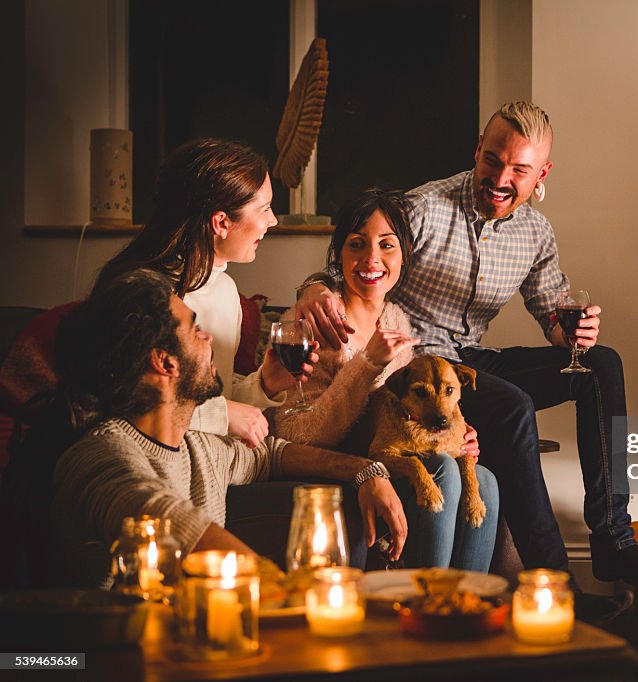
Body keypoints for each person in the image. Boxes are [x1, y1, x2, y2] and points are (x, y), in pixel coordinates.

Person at [295, 102, 638, 590]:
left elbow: (550, 312)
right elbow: (356, 258)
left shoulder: (536, 233)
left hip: (474, 359)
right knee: (511, 403)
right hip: (420, 366)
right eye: (493, 160)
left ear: (541, 173)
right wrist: (311, 289)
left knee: (600, 366)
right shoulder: (424, 208)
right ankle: (554, 579)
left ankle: (614, 541)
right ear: (477, 151)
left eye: (519, 169)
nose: (501, 177)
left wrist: (572, 333)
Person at [36, 269, 406, 587]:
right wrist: (288, 593)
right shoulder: (100, 457)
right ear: (164, 362)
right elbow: (161, 518)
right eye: (195, 329)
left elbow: (272, 455)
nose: (208, 337)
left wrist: (366, 472)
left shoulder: (197, 446)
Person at [271, 188, 499, 572]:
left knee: (486, 480)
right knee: (441, 471)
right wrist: (367, 364)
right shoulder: (312, 321)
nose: (371, 259)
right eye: (357, 245)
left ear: (404, 256)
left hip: (389, 453)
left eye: (387, 245)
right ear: (338, 254)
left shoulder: (395, 318)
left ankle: (463, 609)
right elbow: (297, 434)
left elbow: (403, 409)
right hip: (342, 464)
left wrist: (447, 432)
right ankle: (427, 606)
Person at [92, 138, 307, 449]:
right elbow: (121, 404)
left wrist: (264, 384)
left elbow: (218, 399)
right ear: (221, 222)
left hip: (212, 462)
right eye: (264, 209)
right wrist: (224, 414)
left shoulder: (225, 289)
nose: (271, 221)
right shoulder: (141, 293)